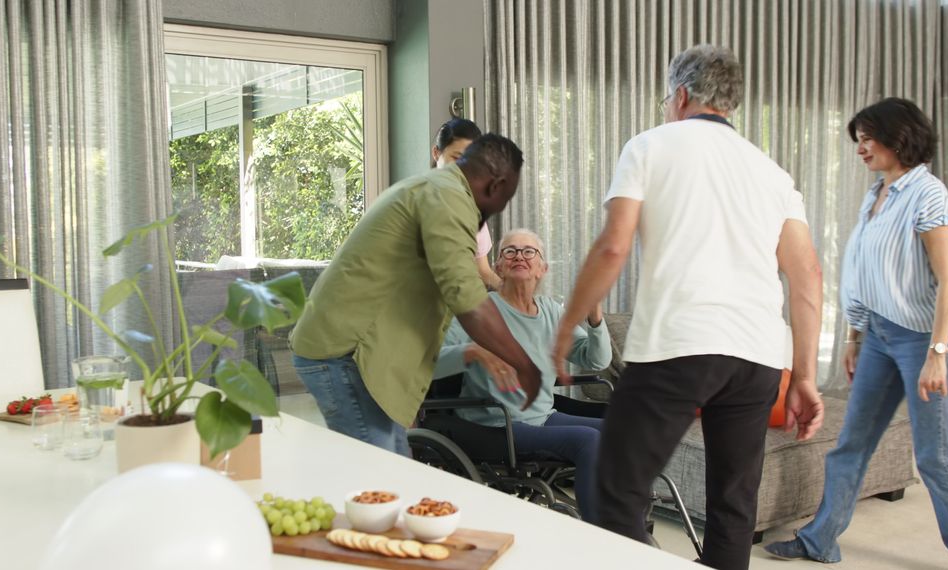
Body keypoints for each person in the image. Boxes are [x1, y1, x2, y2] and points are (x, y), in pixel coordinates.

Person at [551, 44, 825, 570]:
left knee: (617, 490)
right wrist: (806, 376)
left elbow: (613, 247)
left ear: (679, 95)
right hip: (760, 358)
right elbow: (807, 275)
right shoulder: (772, 173)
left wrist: (566, 327)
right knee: (733, 507)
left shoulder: (650, 146)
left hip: (680, 347)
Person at [764, 99, 948, 568]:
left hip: (927, 337)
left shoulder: (929, 195)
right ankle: (821, 539)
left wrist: (938, 353)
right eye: (857, 140)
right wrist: (855, 335)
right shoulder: (877, 193)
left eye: (867, 138)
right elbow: (864, 269)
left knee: (937, 455)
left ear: (898, 137)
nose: (860, 149)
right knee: (851, 442)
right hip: (880, 336)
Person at [290, 134, 542, 456]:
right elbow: (465, 295)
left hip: (358, 356)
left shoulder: (436, 189)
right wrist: (525, 364)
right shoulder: (448, 198)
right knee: (381, 480)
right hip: (346, 354)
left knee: (397, 475)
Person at [433, 228, 611, 523]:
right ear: (498, 267)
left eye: (529, 251)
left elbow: (596, 359)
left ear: (542, 268)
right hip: (493, 424)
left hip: (542, 416)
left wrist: (595, 317)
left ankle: (623, 517)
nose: (520, 256)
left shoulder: (552, 312)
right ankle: (603, 537)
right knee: (587, 440)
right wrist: (473, 351)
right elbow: (431, 364)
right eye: (510, 251)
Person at [432, 118, 503, 290]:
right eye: (456, 158)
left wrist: (521, 299)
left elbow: (483, 271)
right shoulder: (418, 199)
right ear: (436, 153)